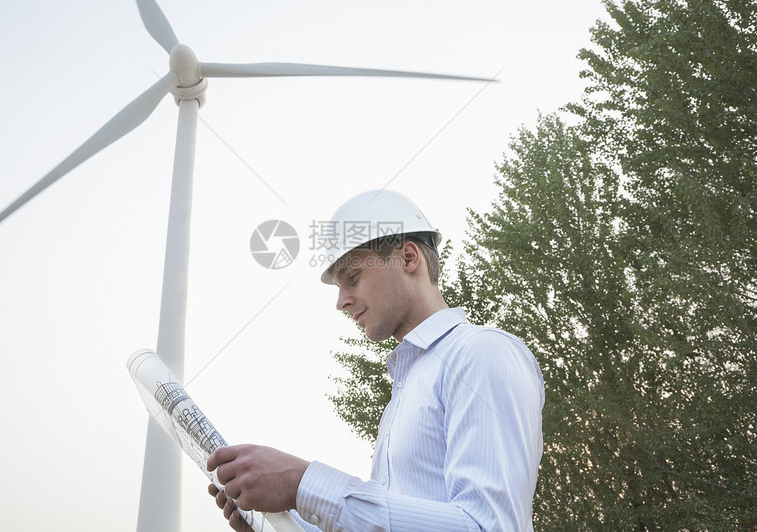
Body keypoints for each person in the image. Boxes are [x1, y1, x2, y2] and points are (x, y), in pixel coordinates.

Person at [207, 189, 545, 531]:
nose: (341, 302)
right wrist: (280, 522)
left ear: (408, 258)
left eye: (352, 278)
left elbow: (490, 526)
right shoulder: (409, 387)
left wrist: (301, 483)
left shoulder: (481, 353)